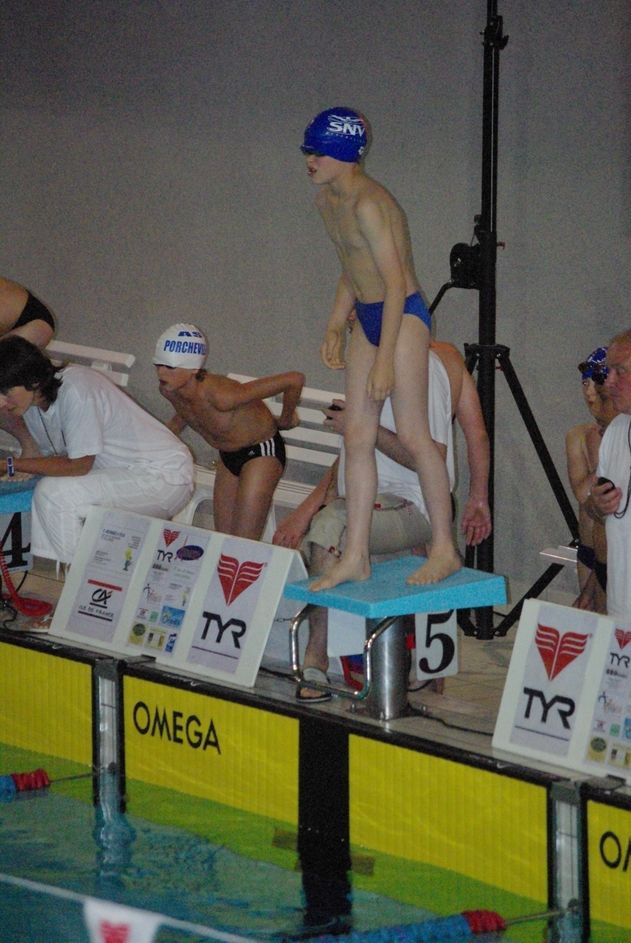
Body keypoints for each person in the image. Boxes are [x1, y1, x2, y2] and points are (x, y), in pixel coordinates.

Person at [273, 341, 491, 700]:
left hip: (410, 504)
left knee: (331, 529)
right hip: (390, 504)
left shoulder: (408, 366)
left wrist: (362, 428)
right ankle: (423, 668)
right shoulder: (446, 357)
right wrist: (478, 498)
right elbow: (476, 433)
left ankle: (317, 658)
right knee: (335, 519)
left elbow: (431, 457)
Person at [300, 106, 460, 590]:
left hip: (403, 314)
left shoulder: (370, 205)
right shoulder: (327, 200)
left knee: (413, 435)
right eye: (307, 151)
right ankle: (356, 555)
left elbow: (393, 283)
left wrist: (385, 359)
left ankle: (444, 548)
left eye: (319, 152)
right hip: (368, 315)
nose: (309, 160)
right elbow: (351, 267)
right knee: (357, 436)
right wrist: (334, 324)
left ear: (346, 154)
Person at [0, 336, 194, 566]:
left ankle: (82, 578)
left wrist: (10, 464)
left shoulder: (77, 388)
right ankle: (83, 573)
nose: (2, 402)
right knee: (52, 493)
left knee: (54, 494)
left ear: (33, 381)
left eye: (6, 392)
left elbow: (79, 465)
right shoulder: (32, 407)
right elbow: (59, 460)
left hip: (163, 476)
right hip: (124, 474)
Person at [154, 323, 305, 541]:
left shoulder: (223, 395)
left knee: (242, 542)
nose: (161, 372)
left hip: (261, 452)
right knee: (223, 541)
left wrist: (285, 418)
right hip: (228, 455)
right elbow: (187, 412)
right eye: (158, 365)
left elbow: (294, 379)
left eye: (170, 367)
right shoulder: (169, 390)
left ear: (193, 369)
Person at [565, 347, 616, 612]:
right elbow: (582, 494)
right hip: (589, 548)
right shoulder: (579, 436)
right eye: (584, 384)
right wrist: (608, 457)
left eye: (594, 384)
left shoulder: (623, 435)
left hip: (616, 549)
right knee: (591, 618)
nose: (588, 392)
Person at [589, 329, 631, 621]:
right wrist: (596, 503)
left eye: (621, 371)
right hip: (622, 603)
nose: (609, 382)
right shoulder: (615, 431)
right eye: (609, 371)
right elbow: (595, 511)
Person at [0, 277, 56, 457]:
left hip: (30, 321)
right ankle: (30, 444)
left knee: (4, 389)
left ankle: (30, 445)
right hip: (14, 316)